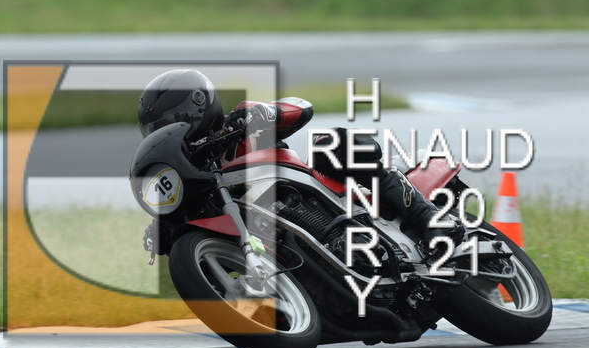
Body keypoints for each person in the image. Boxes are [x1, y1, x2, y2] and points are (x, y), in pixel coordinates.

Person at [137, 69, 464, 253]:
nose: (173, 132)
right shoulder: (193, 176)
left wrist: (265, 114)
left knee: (331, 145)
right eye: (159, 131)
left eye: (174, 122)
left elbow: (301, 107)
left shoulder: (239, 121)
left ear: (199, 105)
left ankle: (428, 216)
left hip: (322, 195)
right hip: (276, 244)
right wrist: (164, 227)